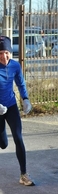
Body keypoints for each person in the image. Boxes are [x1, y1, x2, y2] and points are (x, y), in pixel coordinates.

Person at [0, 36, 34, 186]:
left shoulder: (14, 66)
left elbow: (20, 83)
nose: (3, 56)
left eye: (6, 52)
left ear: (10, 52)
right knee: (3, 144)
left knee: (18, 138)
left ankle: (23, 174)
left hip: (11, 106)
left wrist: (25, 99)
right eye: (0, 53)